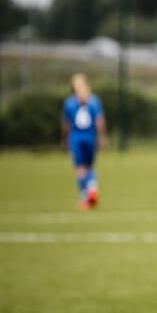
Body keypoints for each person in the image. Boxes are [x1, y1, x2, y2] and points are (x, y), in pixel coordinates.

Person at [61, 73, 107, 210]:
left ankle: (86, 197)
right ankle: (92, 192)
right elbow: (66, 123)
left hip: (81, 137)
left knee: (83, 168)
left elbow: (99, 121)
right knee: (88, 168)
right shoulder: (91, 101)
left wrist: (101, 137)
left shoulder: (77, 102)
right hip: (84, 137)